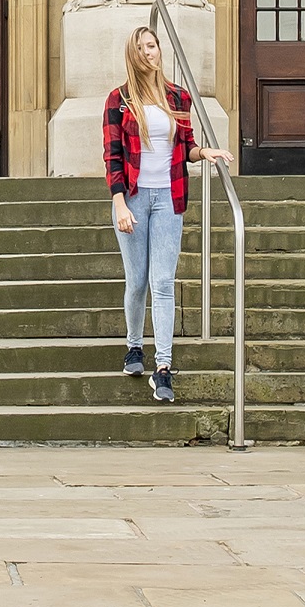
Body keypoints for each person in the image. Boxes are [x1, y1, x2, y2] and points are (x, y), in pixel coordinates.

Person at [101, 25, 231, 405]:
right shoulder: (119, 100)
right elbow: (113, 156)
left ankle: (163, 368)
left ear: (160, 49)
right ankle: (133, 347)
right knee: (137, 281)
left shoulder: (178, 96)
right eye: (141, 48)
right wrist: (119, 201)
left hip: (169, 198)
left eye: (153, 45)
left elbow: (186, 147)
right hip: (134, 198)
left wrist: (203, 153)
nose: (149, 53)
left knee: (162, 282)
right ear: (133, 54)